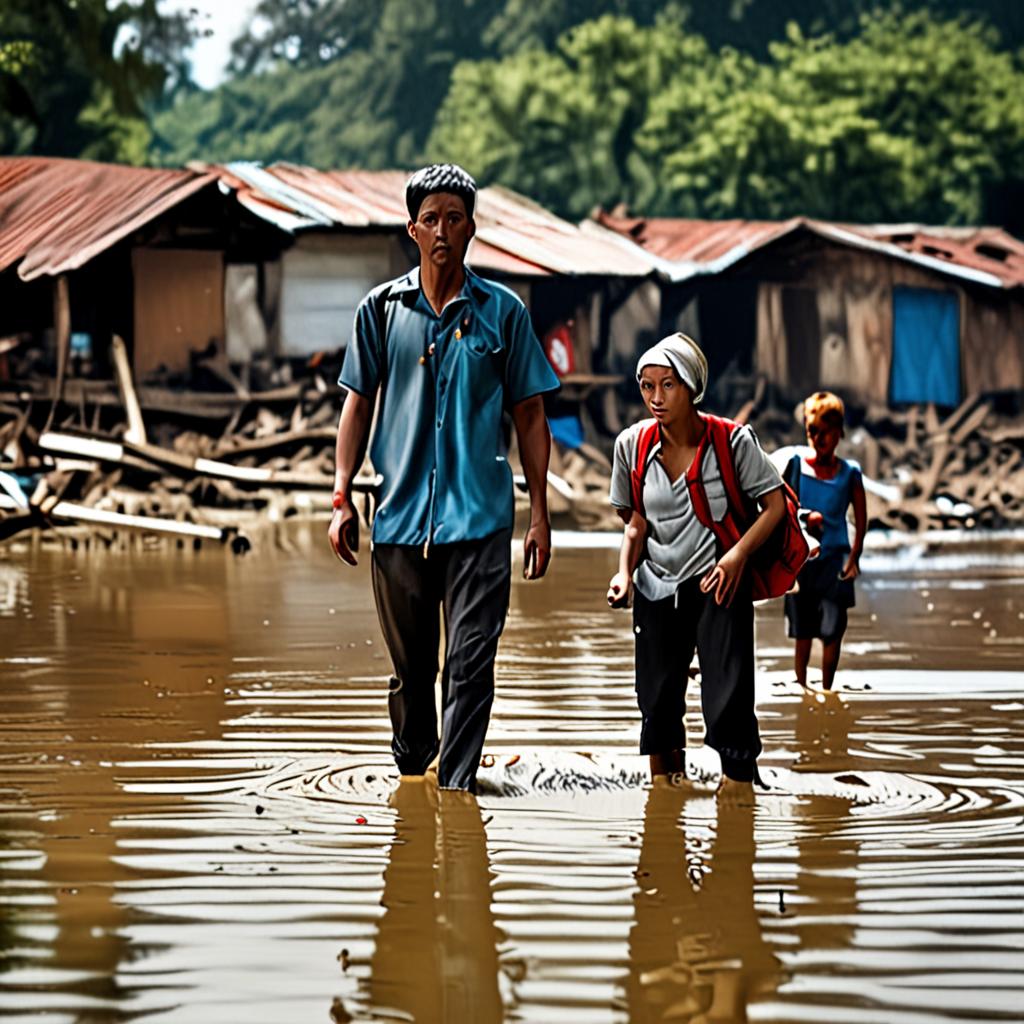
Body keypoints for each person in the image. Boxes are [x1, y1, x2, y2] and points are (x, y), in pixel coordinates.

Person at [328, 163, 559, 793]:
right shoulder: (379, 311)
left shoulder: (503, 314)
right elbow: (357, 401)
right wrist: (342, 494)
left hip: (481, 520)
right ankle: (413, 774)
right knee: (411, 672)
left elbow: (531, 411)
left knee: (470, 665)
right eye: (430, 218)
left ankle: (453, 796)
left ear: (471, 229)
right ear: (412, 229)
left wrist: (539, 513)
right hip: (399, 517)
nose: (442, 230)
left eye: (454, 219)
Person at [607, 333, 786, 786]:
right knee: (657, 700)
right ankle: (667, 800)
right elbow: (635, 524)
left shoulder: (732, 442)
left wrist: (738, 556)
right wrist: (624, 573)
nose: (656, 398)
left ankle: (739, 797)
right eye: (647, 386)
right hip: (655, 585)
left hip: (717, 583)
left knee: (729, 697)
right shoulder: (632, 446)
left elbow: (776, 506)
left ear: (691, 387)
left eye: (668, 385)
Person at [783, 391, 866, 690]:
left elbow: (861, 519)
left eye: (825, 433)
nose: (819, 439)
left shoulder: (849, 473)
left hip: (835, 563)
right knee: (802, 630)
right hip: (803, 562)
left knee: (833, 630)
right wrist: (806, 518)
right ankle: (802, 686)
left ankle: (828, 689)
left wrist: (854, 559)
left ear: (839, 433)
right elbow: (783, 511)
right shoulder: (795, 467)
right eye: (812, 432)